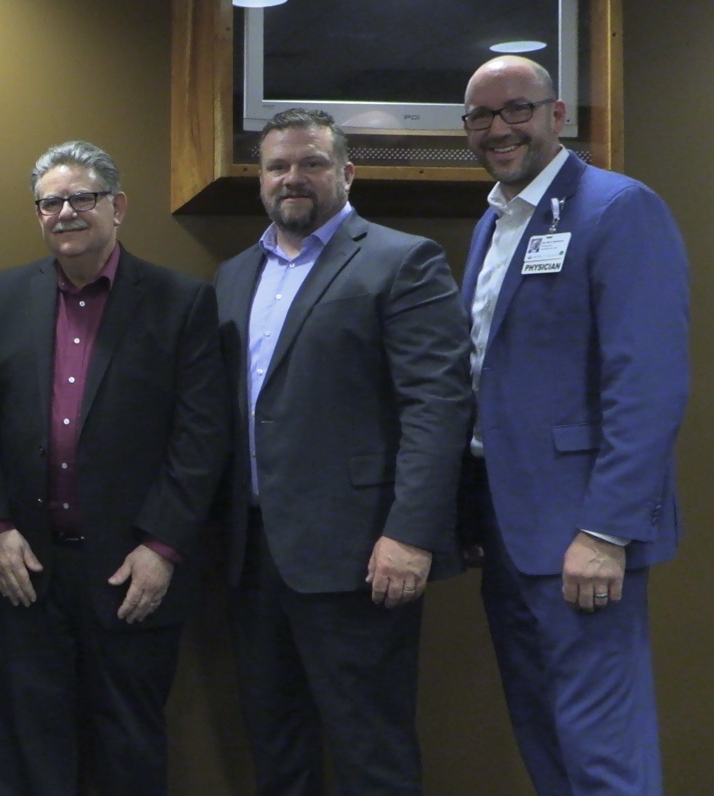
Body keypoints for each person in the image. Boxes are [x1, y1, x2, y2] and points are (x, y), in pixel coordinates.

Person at [0, 140, 229, 796]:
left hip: (129, 568)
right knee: (29, 751)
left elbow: (202, 436)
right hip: (27, 566)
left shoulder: (180, 301)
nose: (65, 212)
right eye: (50, 202)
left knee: (127, 751)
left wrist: (162, 547)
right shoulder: (5, 295)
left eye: (82, 198)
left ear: (118, 206)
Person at [214, 108, 471, 795]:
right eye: (276, 166)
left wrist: (408, 535)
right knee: (275, 748)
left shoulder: (399, 259)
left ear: (345, 173)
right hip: (253, 556)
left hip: (359, 555)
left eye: (311, 163)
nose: (292, 178)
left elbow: (437, 406)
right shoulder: (234, 275)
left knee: (371, 752)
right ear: (259, 179)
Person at [458, 56, 689, 796]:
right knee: (545, 737)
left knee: (601, 750)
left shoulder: (617, 209)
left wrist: (605, 531)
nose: (498, 129)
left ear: (557, 116)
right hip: (506, 530)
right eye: (480, 117)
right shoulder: (493, 221)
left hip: (581, 534)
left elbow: (647, 384)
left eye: (515, 110)